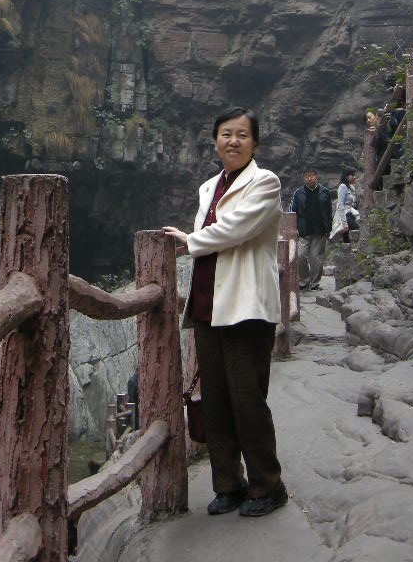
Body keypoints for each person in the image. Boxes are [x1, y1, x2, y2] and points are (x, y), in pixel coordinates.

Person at [163, 107, 288, 519]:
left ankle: (268, 485)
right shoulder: (207, 187)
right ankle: (228, 485)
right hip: (206, 304)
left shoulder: (265, 183)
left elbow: (234, 229)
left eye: (242, 135)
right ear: (215, 140)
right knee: (215, 399)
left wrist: (190, 238)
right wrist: (196, 241)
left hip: (246, 306)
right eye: (225, 134)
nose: (233, 141)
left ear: (255, 143)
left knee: (246, 397)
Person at [290, 168, 332, 291]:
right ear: (304, 178)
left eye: (312, 175)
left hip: (319, 230)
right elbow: (293, 211)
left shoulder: (324, 192)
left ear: (316, 176)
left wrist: (328, 228)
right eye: (307, 176)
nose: (310, 178)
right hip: (304, 231)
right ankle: (304, 280)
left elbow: (329, 211)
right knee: (300, 255)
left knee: (316, 257)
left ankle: (315, 283)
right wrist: (294, 228)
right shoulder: (299, 193)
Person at [333, 168, 360, 244]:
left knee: (347, 238)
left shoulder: (351, 188)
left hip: (351, 214)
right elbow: (340, 204)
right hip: (346, 215)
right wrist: (344, 222)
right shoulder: (343, 187)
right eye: (352, 175)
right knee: (357, 231)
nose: (354, 177)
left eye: (355, 175)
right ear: (346, 176)